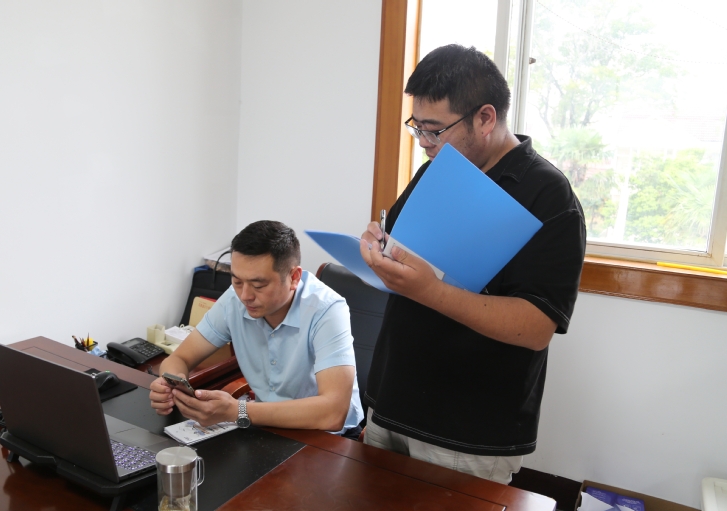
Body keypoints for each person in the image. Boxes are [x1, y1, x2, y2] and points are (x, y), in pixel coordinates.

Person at [359, 44, 586, 484]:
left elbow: (537, 327)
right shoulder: (437, 169)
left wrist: (430, 291)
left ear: (485, 118)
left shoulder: (548, 195)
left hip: (466, 430)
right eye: (417, 128)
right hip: (393, 403)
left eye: (434, 130)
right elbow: (401, 251)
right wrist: (378, 248)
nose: (424, 143)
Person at [150, 220, 363, 436]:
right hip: (266, 427)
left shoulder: (327, 310)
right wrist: (168, 384)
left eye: (258, 285)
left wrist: (238, 410)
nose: (245, 296)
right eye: (237, 281)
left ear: (294, 277)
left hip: (326, 437)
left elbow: (333, 413)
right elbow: (179, 358)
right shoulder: (234, 300)